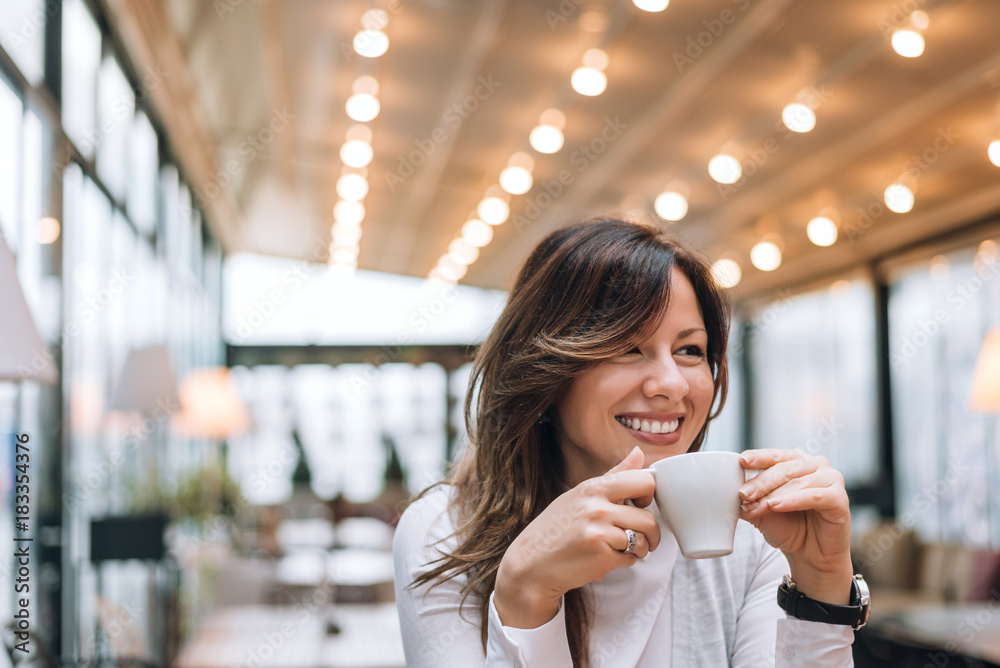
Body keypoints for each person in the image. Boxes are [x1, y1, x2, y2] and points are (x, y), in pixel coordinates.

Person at [393, 217, 863, 667]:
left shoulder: (753, 537)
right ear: (543, 373)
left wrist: (822, 583)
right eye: (626, 347)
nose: (672, 384)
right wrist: (524, 594)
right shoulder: (447, 532)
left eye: (690, 350)